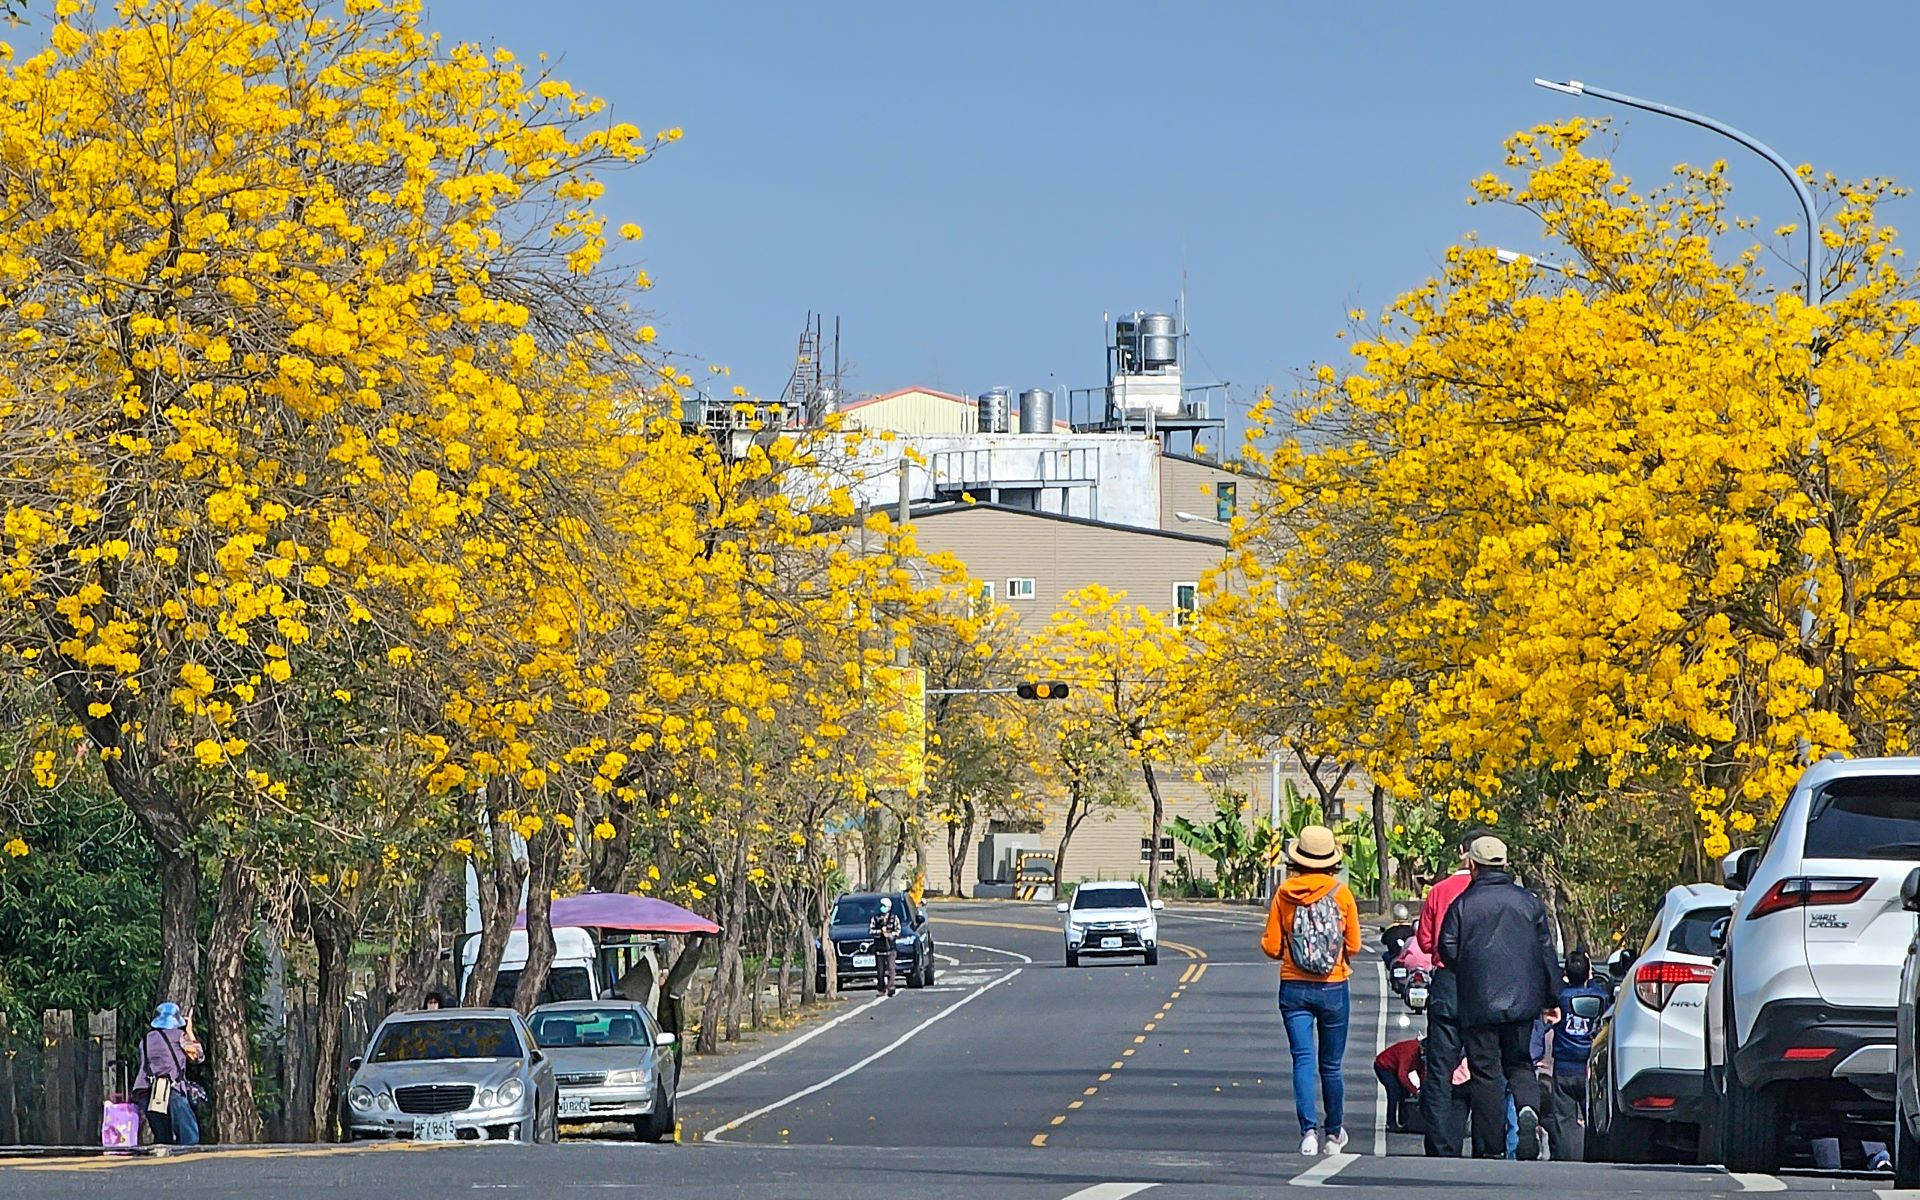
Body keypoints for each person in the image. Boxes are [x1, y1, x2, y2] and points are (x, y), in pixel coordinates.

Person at [1438, 835, 1562, 1161]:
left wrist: (1469, 969)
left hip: (1478, 1001)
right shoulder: (1528, 902)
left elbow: (1446, 949)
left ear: (1473, 866)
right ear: (1505, 865)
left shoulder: (1463, 905)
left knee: (1485, 1072)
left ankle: (1491, 1147)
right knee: (1521, 1064)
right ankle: (1526, 1110)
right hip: (1524, 1001)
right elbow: (1546, 952)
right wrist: (1552, 997)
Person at [1261, 824, 1364, 1157]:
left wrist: (1290, 951)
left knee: (1302, 1061)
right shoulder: (1341, 893)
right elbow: (1356, 944)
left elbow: (1272, 945)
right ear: (1331, 861)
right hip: (1333, 986)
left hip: (1293, 987)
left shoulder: (1284, 894)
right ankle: (1334, 1134)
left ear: (1298, 859)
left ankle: (1308, 1132)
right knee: (1331, 1065)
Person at [1414, 827, 1491, 1157]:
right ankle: (1489, 1144)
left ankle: (1441, 1144)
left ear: (1463, 851)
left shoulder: (1439, 891)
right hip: (1486, 984)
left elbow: (1425, 942)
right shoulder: (1496, 892)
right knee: (1486, 1065)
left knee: (1440, 1067)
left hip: (1446, 982)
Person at [1541, 948, 1609, 1161]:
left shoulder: (1560, 998)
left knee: (1563, 1119)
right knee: (1595, 1118)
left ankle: (1566, 1159)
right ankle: (1594, 1157)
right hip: (1591, 1066)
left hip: (1564, 1067)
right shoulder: (1601, 997)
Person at [133, 1002, 203, 1148]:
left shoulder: (145, 1039)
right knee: (189, 1137)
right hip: (172, 1089)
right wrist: (189, 1030)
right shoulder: (180, 1036)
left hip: (147, 1092)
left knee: (163, 1139)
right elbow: (198, 1057)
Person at [1374, 1038, 1423, 1131]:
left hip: (1396, 1068)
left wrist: (1423, 1089)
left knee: (1405, 1093)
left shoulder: (1423, 1057)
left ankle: (1404, 1120)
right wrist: (1414, 1091)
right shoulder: (1410, 1052)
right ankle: (1390, 1123)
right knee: (1394, 1091)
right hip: (1384, 1067)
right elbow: (1402, 1075)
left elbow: (1422, 1072)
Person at [870, 896, 903, 998]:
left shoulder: (894, 918)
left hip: (890, 948)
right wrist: (880, 932)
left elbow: (898, 931)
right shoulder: (875, 918)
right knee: (880, 971)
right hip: (879, 949)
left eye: (884, 906)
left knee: (891, 969)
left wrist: (889, 935)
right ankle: (881, 989)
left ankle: (891, 987)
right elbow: (871, 931)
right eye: (881, 906)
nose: (882, 908)